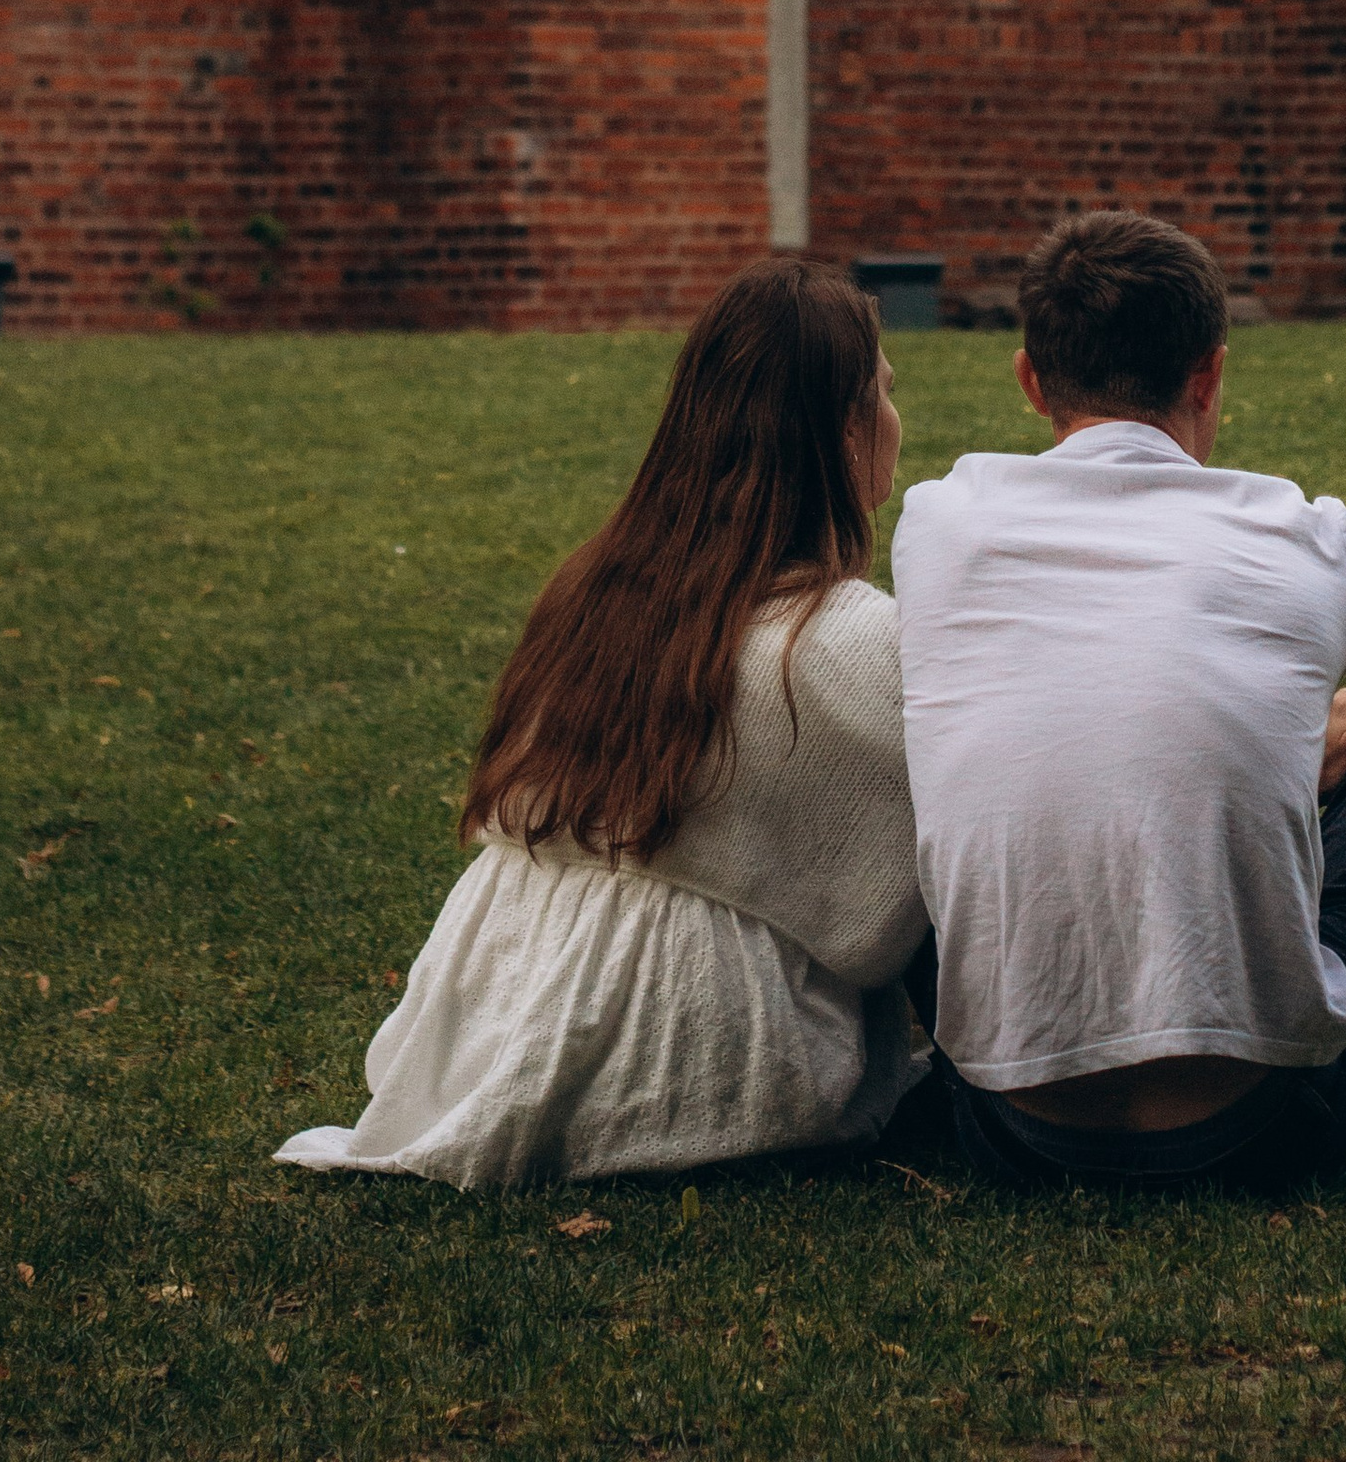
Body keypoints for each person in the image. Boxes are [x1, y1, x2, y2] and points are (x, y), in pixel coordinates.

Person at [891, 209, 1346, 1194]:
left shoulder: (938, 524)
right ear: (1210, 373)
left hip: (1006, 1128)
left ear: (1030, 380)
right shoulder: (1304, 537)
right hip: (1272, 1128)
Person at [277, 262, 928, 1185]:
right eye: (887, 394)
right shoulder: (846, 643)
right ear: (843, 426)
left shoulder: (596, 591)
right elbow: (912, 897)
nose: (898, 422)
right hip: (696, 1059)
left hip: (494, 1020)